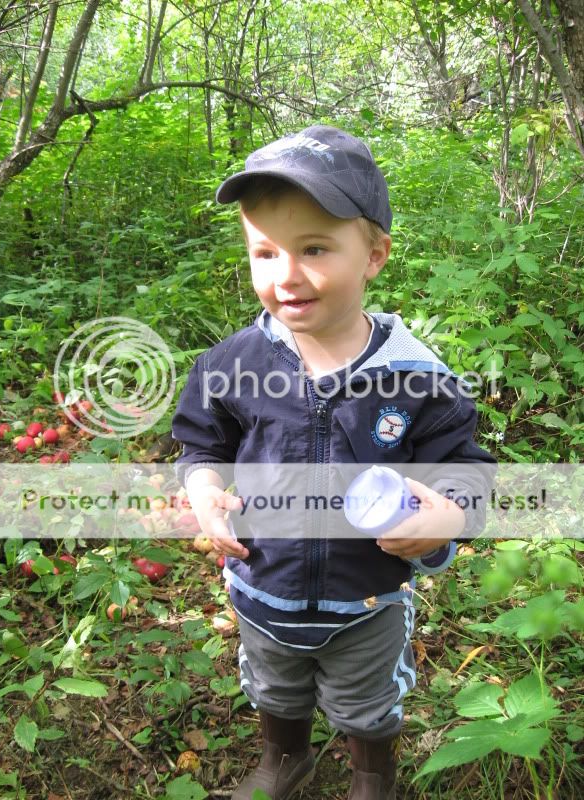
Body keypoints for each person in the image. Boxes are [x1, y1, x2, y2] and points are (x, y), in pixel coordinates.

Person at [172, 124, 496, 800]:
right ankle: (285, 760)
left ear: (374, 253)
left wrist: (450, 511)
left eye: (314, 248)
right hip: (265, 587)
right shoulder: (232, 364)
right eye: (264, 252)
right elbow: (203, 440)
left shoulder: (417, 377)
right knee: (273, 683)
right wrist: (204, 489)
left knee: (369, 699)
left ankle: (373, 777)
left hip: (368, 596)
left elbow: (465, 467)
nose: (285, 275)